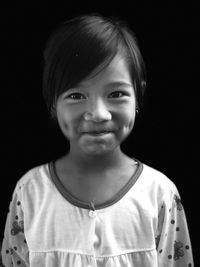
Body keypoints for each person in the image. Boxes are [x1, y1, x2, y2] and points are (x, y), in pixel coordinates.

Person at [1, 14, 193, 267]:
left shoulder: (160, 193)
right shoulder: (30, 191)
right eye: (76, 95)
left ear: (139, 95)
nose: (99, 114)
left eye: (116, 93)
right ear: (52, 103)